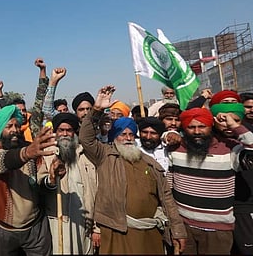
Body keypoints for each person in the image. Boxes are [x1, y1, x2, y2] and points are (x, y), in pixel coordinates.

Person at [79, 85, 187, 254]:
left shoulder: (150, 163)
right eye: (122, 134)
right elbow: (86, 138)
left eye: (131, 134)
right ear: (115, 136)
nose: (127, 138)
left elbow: (166, 198)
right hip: (115, 231)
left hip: (149, 233)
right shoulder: (105, 155)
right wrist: (97, 109)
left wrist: (177, 229)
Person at [168, 106, 253, 254]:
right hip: (184, 228)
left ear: (211, 126)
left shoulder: (229, 149)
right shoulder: (175, 149)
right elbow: (169, 186)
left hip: (217, 231)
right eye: (191, 127)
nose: (197, 131)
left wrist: (235, 126)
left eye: (202, 126)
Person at [0, 105, 57, 255]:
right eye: (9, 126)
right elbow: (5, 161)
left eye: (17, 125)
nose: (14, 130)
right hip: (4, 229)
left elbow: (42, 180)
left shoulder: (32, 150)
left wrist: (52, 178)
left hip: (35, 227)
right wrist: (27, 153)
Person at [43, 112, 99, 254]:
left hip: (83, 222)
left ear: (74, 133)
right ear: (55, 132)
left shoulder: (85, 157)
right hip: (56, 222)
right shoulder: (46, 156)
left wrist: (96, 228)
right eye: (61, 130)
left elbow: (97, 192)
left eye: (69, 130)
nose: (65, 134)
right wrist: (51, 177)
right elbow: (40, 186)